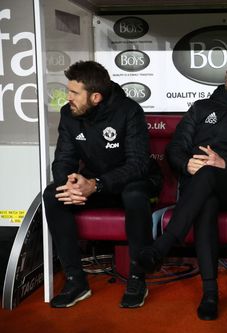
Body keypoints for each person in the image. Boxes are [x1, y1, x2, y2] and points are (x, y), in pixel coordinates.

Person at [138, 61, 227, 320]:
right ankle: (210, 293)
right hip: (198, 185)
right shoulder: (201, 108)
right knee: (206, 203)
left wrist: (225, 163)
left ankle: (162, 246)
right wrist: (186, 164)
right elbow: (175, 149)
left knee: (210, 173)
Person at [43, 61, 161, 309]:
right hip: (95, 184)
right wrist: (70, 183)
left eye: (74, 93)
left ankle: (138, 278)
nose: (68, 98)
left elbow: (138, 164)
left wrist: (96, 184)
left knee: (134, 195)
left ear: (95, 97)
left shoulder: (129, 111)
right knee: (54, 195)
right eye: (68, 91)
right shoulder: (69, 113)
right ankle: (76, 281)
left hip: (134, 181)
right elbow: (63, 158)